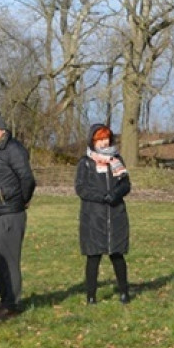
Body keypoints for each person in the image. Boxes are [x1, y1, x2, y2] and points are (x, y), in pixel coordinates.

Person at [0, 108, 36, 321]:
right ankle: (5, 298)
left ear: (2, 130)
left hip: (10, 214)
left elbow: (27, 179)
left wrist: (20, 200)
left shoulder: (13, 149)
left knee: (8, 260)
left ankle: (11, 304)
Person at [74, 124, 132, 304]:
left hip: (115, 215)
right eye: (99, 139)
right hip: (93, 216)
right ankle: (91, 296)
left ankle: (124, 292)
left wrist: (115, 194)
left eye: (106, 138)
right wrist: (102, 197)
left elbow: (126, 184)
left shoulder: (117, 159)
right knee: (93, 257)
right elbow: (81, 188)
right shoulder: (85, 162)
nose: (103, 142)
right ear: (93, 141)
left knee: (117, 255)